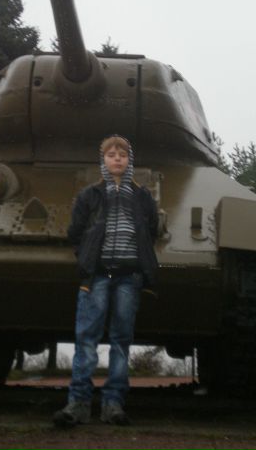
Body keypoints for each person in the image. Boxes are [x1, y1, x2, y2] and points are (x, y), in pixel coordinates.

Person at [53, 135, 159, 427]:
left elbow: (151, 229)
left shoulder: (142, 196)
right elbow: (75, 232)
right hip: (97, 275)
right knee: (87, 338)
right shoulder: (90, 195)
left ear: (129, 160)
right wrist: (87, 257)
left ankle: (113, 403)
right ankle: (78, 403)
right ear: (103, 160)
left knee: (121, 340)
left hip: (128, 276)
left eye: (122, 155)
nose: (117, 159)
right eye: (111, 155)